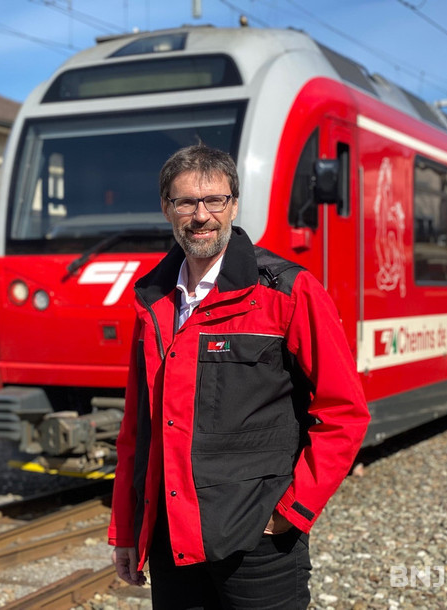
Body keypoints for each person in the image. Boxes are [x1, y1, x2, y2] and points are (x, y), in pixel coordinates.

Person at [108, 144, 370, 609]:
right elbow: (137, 430)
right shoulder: (153, 300)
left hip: (259, 544)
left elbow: (344, 411)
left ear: (233, 205)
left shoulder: (287, 291)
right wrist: (127, 531)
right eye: (186, 202)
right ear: (166, 208)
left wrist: (293, 510)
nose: (201, 216)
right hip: (172, 540)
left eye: (215, 200)